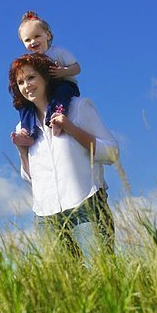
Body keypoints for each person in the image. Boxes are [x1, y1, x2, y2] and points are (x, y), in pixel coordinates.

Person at [9, 53, 118, 257]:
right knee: (66, 287)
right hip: (46, 217)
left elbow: (112, 153)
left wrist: (71, 128)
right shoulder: (23, 127)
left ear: (46, 77)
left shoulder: (78, 107)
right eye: (20, 82)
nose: (26, 85)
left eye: (31, 78)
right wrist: (22, 152)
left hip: (86, 204)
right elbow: (33, 178)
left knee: (103, 278)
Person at [12, 11, 81, 147]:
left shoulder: (58, 52)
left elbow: (77, 68)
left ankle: (57, 119)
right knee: (25, 104)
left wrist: (63, 71)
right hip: (46, 89)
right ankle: (28, 132)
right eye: (28, 40)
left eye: (37, 36)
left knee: (61, 93)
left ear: (48, 35)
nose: (33, 41)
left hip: (64, 83)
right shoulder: (31, 60)